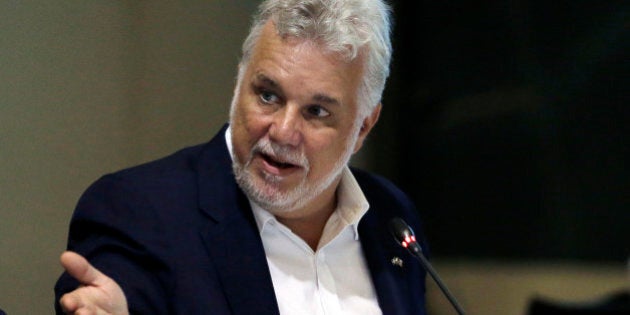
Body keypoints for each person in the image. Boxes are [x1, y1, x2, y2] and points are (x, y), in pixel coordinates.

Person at [54, 0, 427, 314]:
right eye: (268, 95)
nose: (282, 131)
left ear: (364, 125)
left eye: (316, 112)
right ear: (239, 82)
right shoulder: (138, 210)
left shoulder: (391, 218)